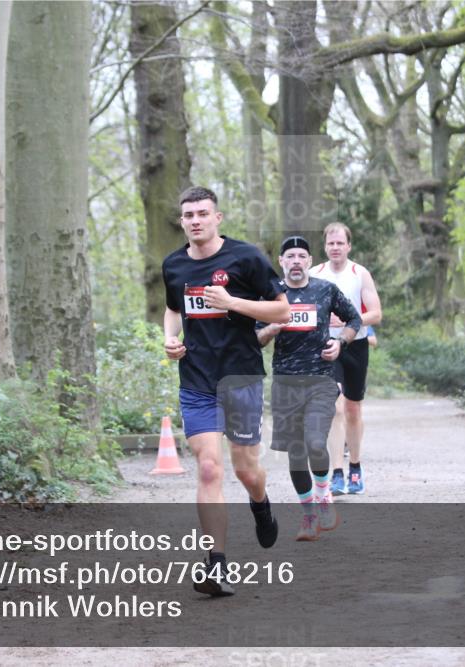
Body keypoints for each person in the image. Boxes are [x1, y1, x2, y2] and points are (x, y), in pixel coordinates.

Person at [162, 186, 291, 597]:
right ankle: (216, 565)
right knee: (208, 468)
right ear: (181, 221)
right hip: (197, 379)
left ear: (218, 217)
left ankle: (261, 504)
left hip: (241, 377)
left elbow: (282, 310)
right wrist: (169, 339)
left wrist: (233, 302)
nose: (195, 220)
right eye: (188, 215)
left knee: (245, 470)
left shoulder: (245, 257)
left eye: (202, 213)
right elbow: (173, 309)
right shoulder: (174, 266)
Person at [257, 236, 361, 541]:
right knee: (296, 453)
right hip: (285, 382)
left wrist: (340, 342)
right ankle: (309, 516)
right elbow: (256, 338)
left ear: (309, 260)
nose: (296, 261)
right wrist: (272, 327)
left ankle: (324, 495)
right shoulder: (270, 294)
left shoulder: (324, 289)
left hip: (321, 380)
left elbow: (354, 318)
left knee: (316, 442)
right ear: (282, 262)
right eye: (290, 256)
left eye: (302, 256)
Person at [311, 222, 382, 496]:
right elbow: (300, 308)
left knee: (353, 410)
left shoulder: (359, 274)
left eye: (340, 243)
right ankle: (336, 473)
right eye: (331, 243)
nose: (335, 247)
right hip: (326, 345)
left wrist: (349, 321)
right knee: (335, 407)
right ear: (325, 246)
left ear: (348, 246)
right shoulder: (314, 274)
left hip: (356, 344)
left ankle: (355, 467)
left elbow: (375, 314)